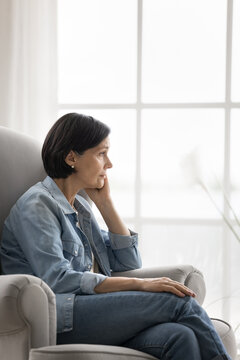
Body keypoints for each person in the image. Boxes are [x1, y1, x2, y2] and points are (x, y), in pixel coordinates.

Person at [0, 113, 230, 360]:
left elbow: (128, 262)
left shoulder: (80, 207)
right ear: (71, 158)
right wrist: (141, 284)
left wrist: (106, 204)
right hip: (60, 317)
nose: (109, 164)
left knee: (179, 336)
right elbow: (57, 280)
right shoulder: (37, 205)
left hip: (95, 313)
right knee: (180, 303)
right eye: (101, 154)